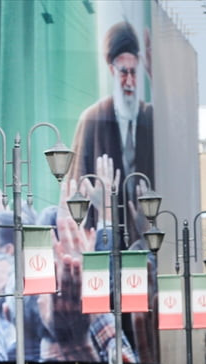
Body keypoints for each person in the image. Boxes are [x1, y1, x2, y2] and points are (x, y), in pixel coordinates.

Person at [69, 19, 154, 244]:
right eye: (123, 72)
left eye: (134, 72)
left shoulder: (151, 117)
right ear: (111, 70)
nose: (129, 81)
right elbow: (75, 192)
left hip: (148, 246)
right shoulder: (91, 119)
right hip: (104, 243)